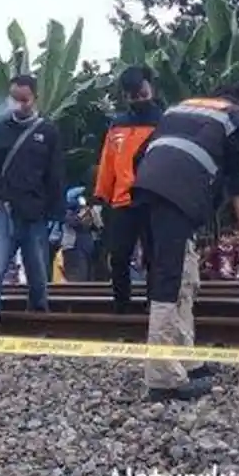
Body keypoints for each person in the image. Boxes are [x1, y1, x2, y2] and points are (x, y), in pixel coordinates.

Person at [130, 82, 239, 402]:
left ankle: (185, 358)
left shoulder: (182, 107)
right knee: (169, 281)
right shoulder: (236, 119)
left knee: (185, 276)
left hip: (147, 188)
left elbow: (138, 155)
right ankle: (162, 377)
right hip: (177, 194)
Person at [0, 74, 64, 334]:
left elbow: (55, 175)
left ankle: (39, 316)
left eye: (25, 99)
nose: (20, 104)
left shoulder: (48, 132)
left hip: (35, 211)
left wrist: (58, 213)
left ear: (34, 98)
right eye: (15, 99)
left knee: (38, 271)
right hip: (4, 208)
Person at [94, 66, 162, 312]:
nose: (139, 99)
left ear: (151, 89)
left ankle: (154, 307)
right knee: (119, 257)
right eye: (134, 95)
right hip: (122, 201)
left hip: (154, 199)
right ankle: (121, 307)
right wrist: (101, 196)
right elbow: (107, 163)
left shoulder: (164, 121)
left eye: (143, 93)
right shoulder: (118, 125)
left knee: (155, 258)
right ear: (126, 96)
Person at [59, 185, 102, 282]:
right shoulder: (67, 210)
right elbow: (73, 221)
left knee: (89, 277)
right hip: (73, 248)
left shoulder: (92, 209)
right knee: (77, 278)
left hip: (89, 248)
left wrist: (91, 211)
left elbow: (98, 225)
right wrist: (82, 212)